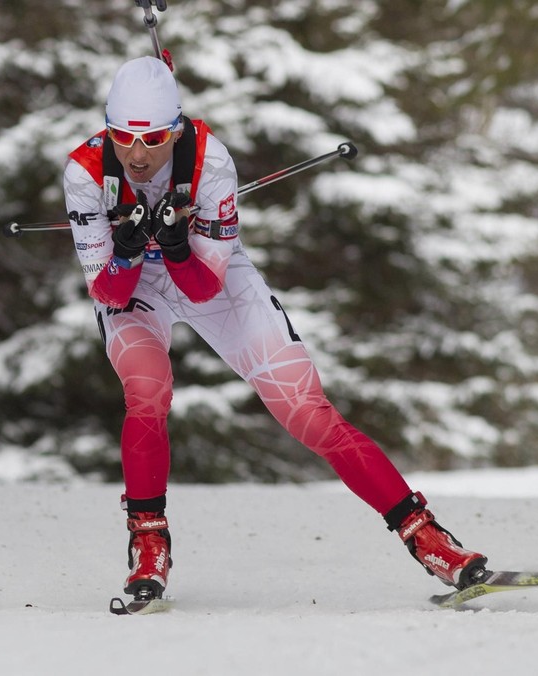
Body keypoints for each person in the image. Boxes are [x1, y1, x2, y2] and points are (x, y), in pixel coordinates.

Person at [62, 56, 487, 601]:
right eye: (123, 137)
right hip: (133, 288)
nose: (137, 156)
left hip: (208, 273)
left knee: (307, 412)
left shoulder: (209, 161)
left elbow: (204, 288)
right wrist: (124, 253)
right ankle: (148, 544)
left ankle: (432, 542)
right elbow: (107, 291)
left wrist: (172, 244)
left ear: (175, 129)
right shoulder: (85, 172)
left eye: (153, 140)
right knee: (147, 391)